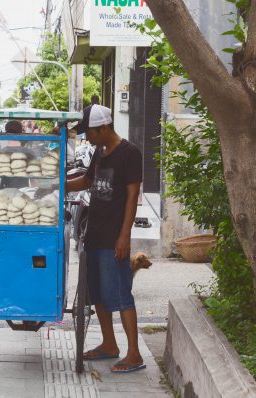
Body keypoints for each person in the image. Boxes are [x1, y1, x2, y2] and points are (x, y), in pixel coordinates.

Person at [66, 104, 144, 374]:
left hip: (114, 237)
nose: (87, 138)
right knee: (97, 293)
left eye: (90, 133)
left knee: (121, 294)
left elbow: (133, 196)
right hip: (94, 234)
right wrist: (57, 184)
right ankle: (110, 344)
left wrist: (125, 236)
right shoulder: (99, 152)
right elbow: (87, 182)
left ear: (104, 128)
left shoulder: (129, 153)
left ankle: (134, 354)